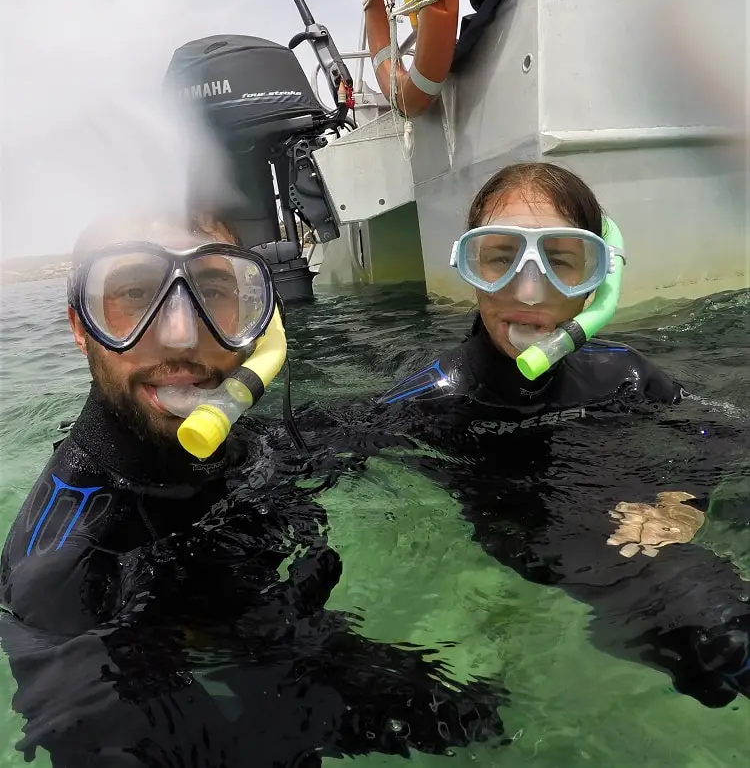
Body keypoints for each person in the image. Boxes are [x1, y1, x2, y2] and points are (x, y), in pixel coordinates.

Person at [0, 211, 507, 767]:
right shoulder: (65, 574)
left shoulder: (253, 443)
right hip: (179, 670)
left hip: (271, 636)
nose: (180, 333)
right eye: (134, 291)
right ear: (81, 327)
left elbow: (391, 422)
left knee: (478, 723)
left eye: (213, 289)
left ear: (258, 320)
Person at [358, 162, 750, 708]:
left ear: (596, 284)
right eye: (498, 258)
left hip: (657, 554)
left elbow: (724, 430)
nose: (528, 288)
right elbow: (318, 451)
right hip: (587, 567)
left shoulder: (625, 373)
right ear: (468, 271)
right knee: (721, 637)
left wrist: (683, 499)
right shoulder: (430, 398)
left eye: (562, 262)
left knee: (725, 647)